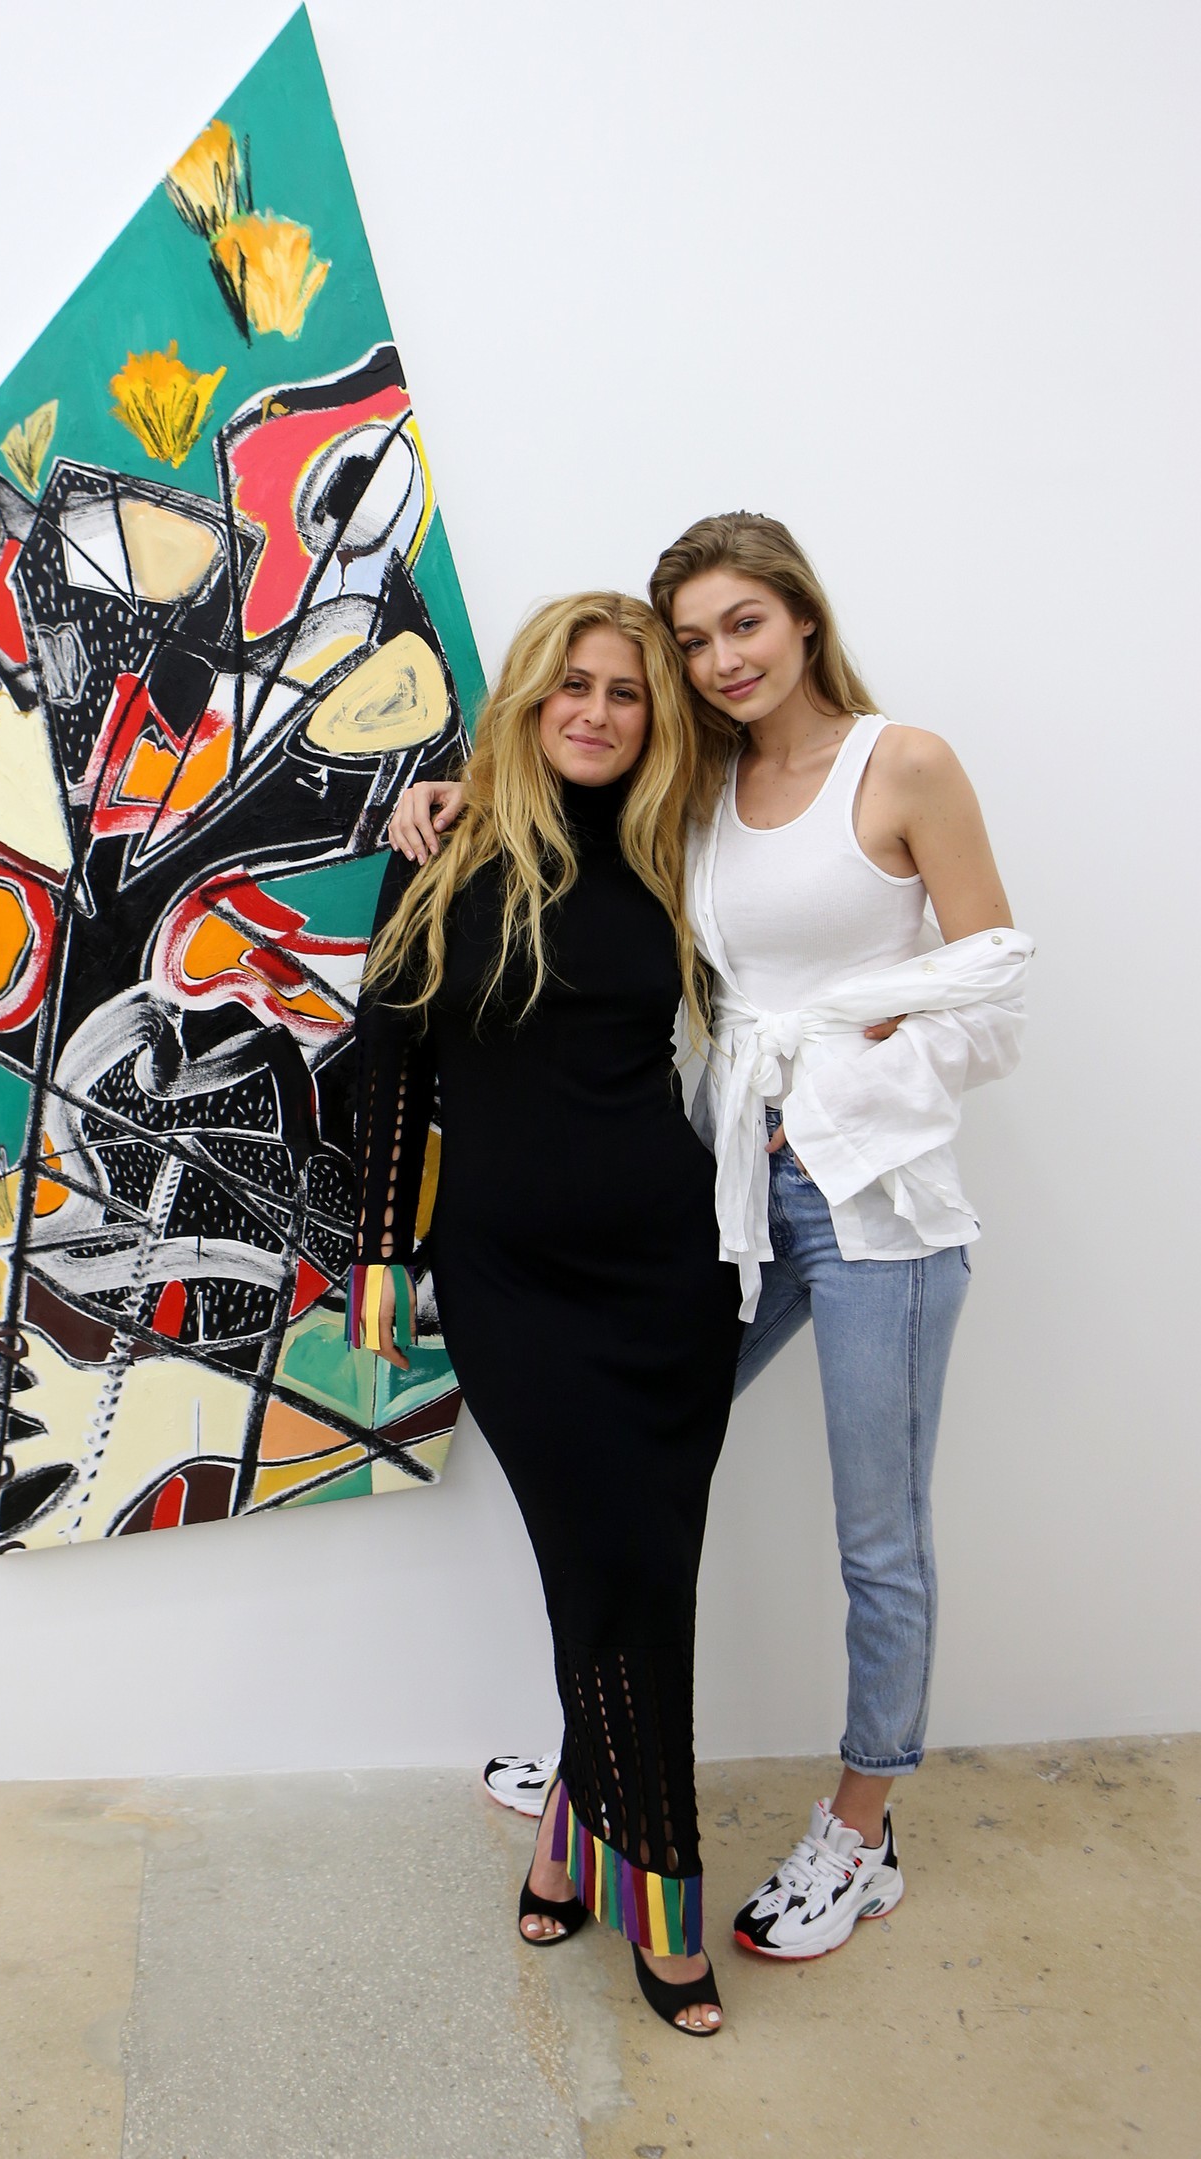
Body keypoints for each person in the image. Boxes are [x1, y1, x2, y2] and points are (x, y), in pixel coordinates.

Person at [388, 513, 1030, 1963]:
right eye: (693, 640)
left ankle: (861, 1832)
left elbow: (994, 998)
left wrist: (850, 1071)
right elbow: (572, 808)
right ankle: (601, 1770)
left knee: (878, 1536)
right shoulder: (700, 793)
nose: (722, 658)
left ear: (802, 616)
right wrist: (457, 795)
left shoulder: (903, 765)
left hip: (872, 1204)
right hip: (725, 1199)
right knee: (623, 1486)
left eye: (745, 622)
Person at [349, 592, 741, 2032]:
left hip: (673, 1277)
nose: (596, 711)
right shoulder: (443, 853)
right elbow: (390, 1060)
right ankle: (668, 1893)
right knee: (603, 1572)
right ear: (528, 697)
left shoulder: (682, 849)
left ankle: (574, 1842)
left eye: (627, 693)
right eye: (572, 684)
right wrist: (378, 1253)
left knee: (644, 1578)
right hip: (511, 1284)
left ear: (657, 718)